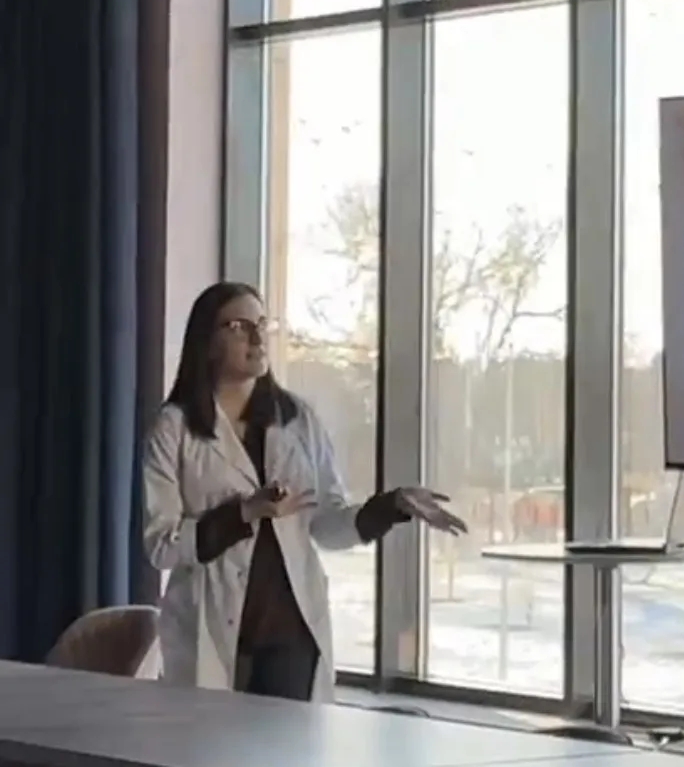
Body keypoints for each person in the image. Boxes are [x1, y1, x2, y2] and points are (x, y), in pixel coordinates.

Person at [143, 280, 466, 702]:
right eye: (239, 326)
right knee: (213, 741)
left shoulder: (297, 419)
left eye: (263, 324)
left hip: (290, 634)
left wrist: (390, 506)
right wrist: (244, 513)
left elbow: (327, 524)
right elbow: (161, 546)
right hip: (210, 628)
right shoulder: (175, 427)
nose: (257, 338)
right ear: (206, 342)